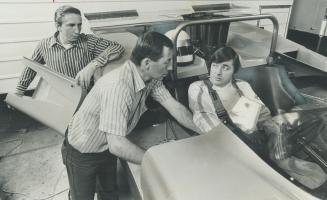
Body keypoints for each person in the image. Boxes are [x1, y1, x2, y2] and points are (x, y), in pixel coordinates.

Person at [61, 31, 201, 200]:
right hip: (83, 150)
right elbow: (118, 145)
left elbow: (172, 105)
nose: (170, 67)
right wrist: (157, 162)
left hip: (106, 146)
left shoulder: (151, 76)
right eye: (167, 62)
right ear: (147, 63)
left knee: (109, 194)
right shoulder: (118, 87)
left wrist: (204, 131)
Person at [188, 46, 327, 190]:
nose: (218, 72)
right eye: (215, 66)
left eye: (225, 67)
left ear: (234, 70)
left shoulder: (243, 86)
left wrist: (274, 134)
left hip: (258, 142)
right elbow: (204, 121)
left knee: (311, 173)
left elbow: (263, 115)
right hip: (228, 148)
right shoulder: (199, 88)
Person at [15, 5, 124, 95]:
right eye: (71, 25)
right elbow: (31, 67)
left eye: (79, 25)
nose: (77, 30)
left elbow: (117, 47)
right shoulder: (44, 45)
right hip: (60, 98)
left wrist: (92, 66)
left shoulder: (89, 41)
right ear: (58, 26)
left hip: (87, 98)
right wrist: (19, 90)